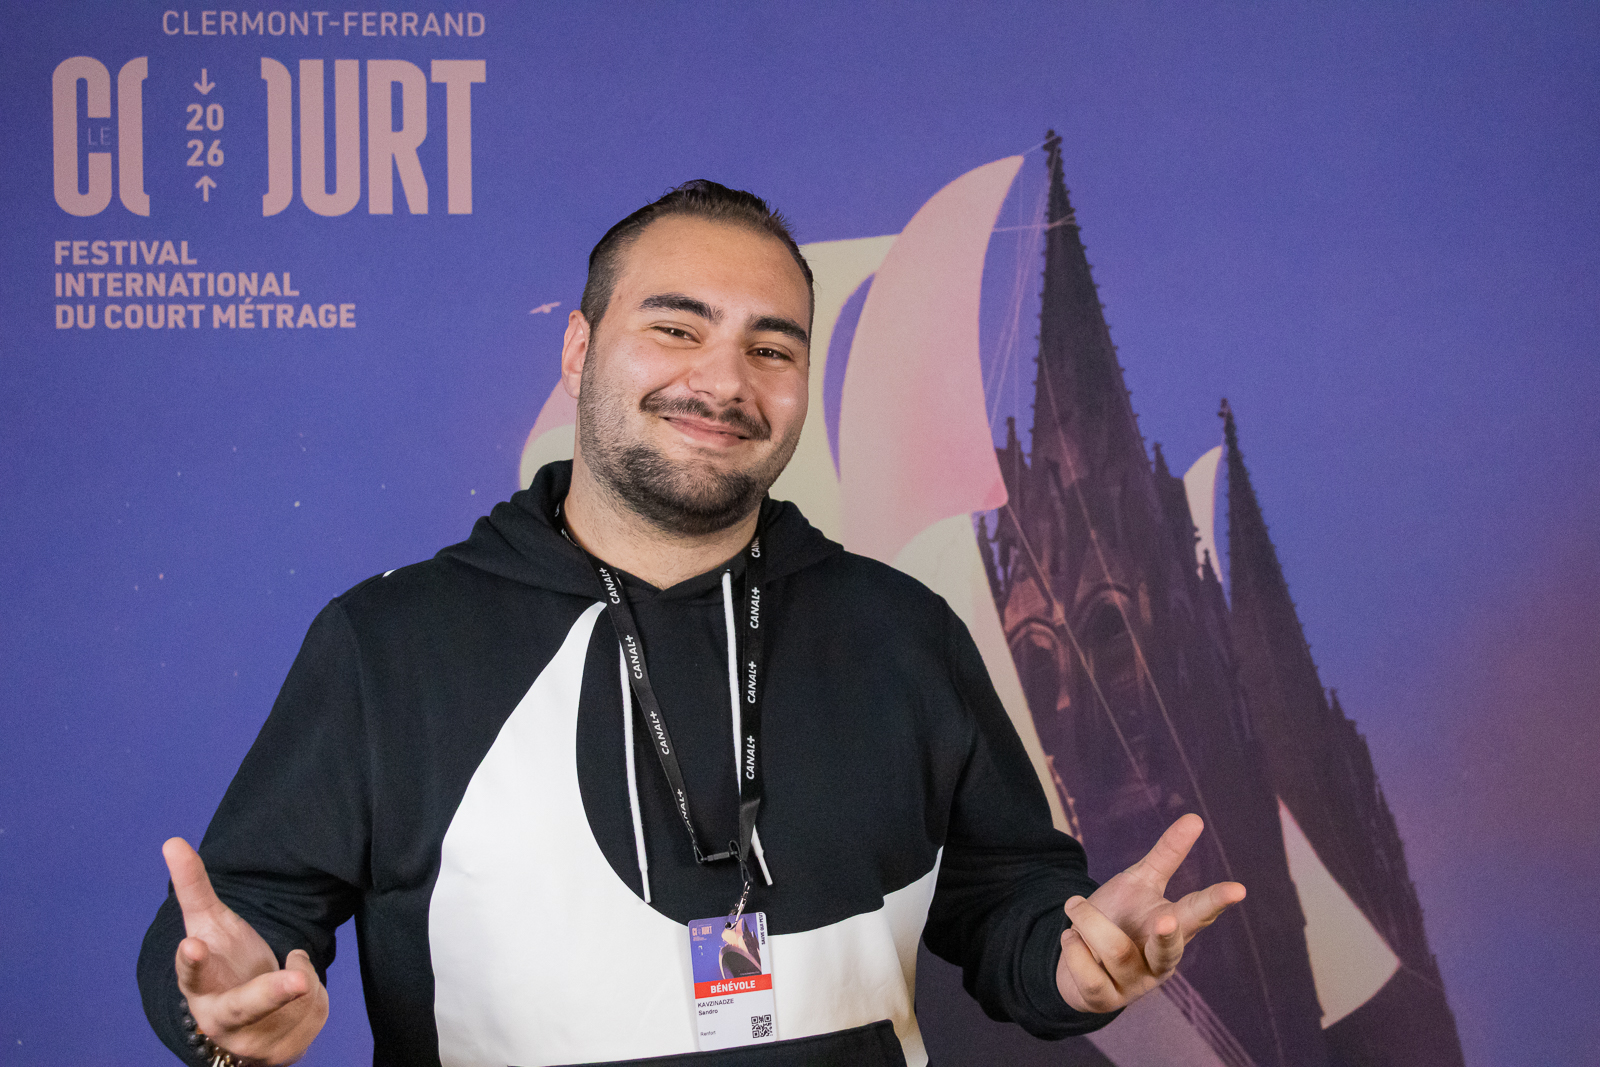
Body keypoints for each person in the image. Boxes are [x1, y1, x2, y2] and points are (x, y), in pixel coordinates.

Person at [139, 181, 1245, 1067]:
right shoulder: (391, 643)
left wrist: (1071, 963)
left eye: (773, 347)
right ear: (579, 351)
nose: (723, 380)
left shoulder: (903, 631)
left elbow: (1006, 899)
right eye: (677, 327)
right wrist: (223, 1013)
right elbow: (242, 924)